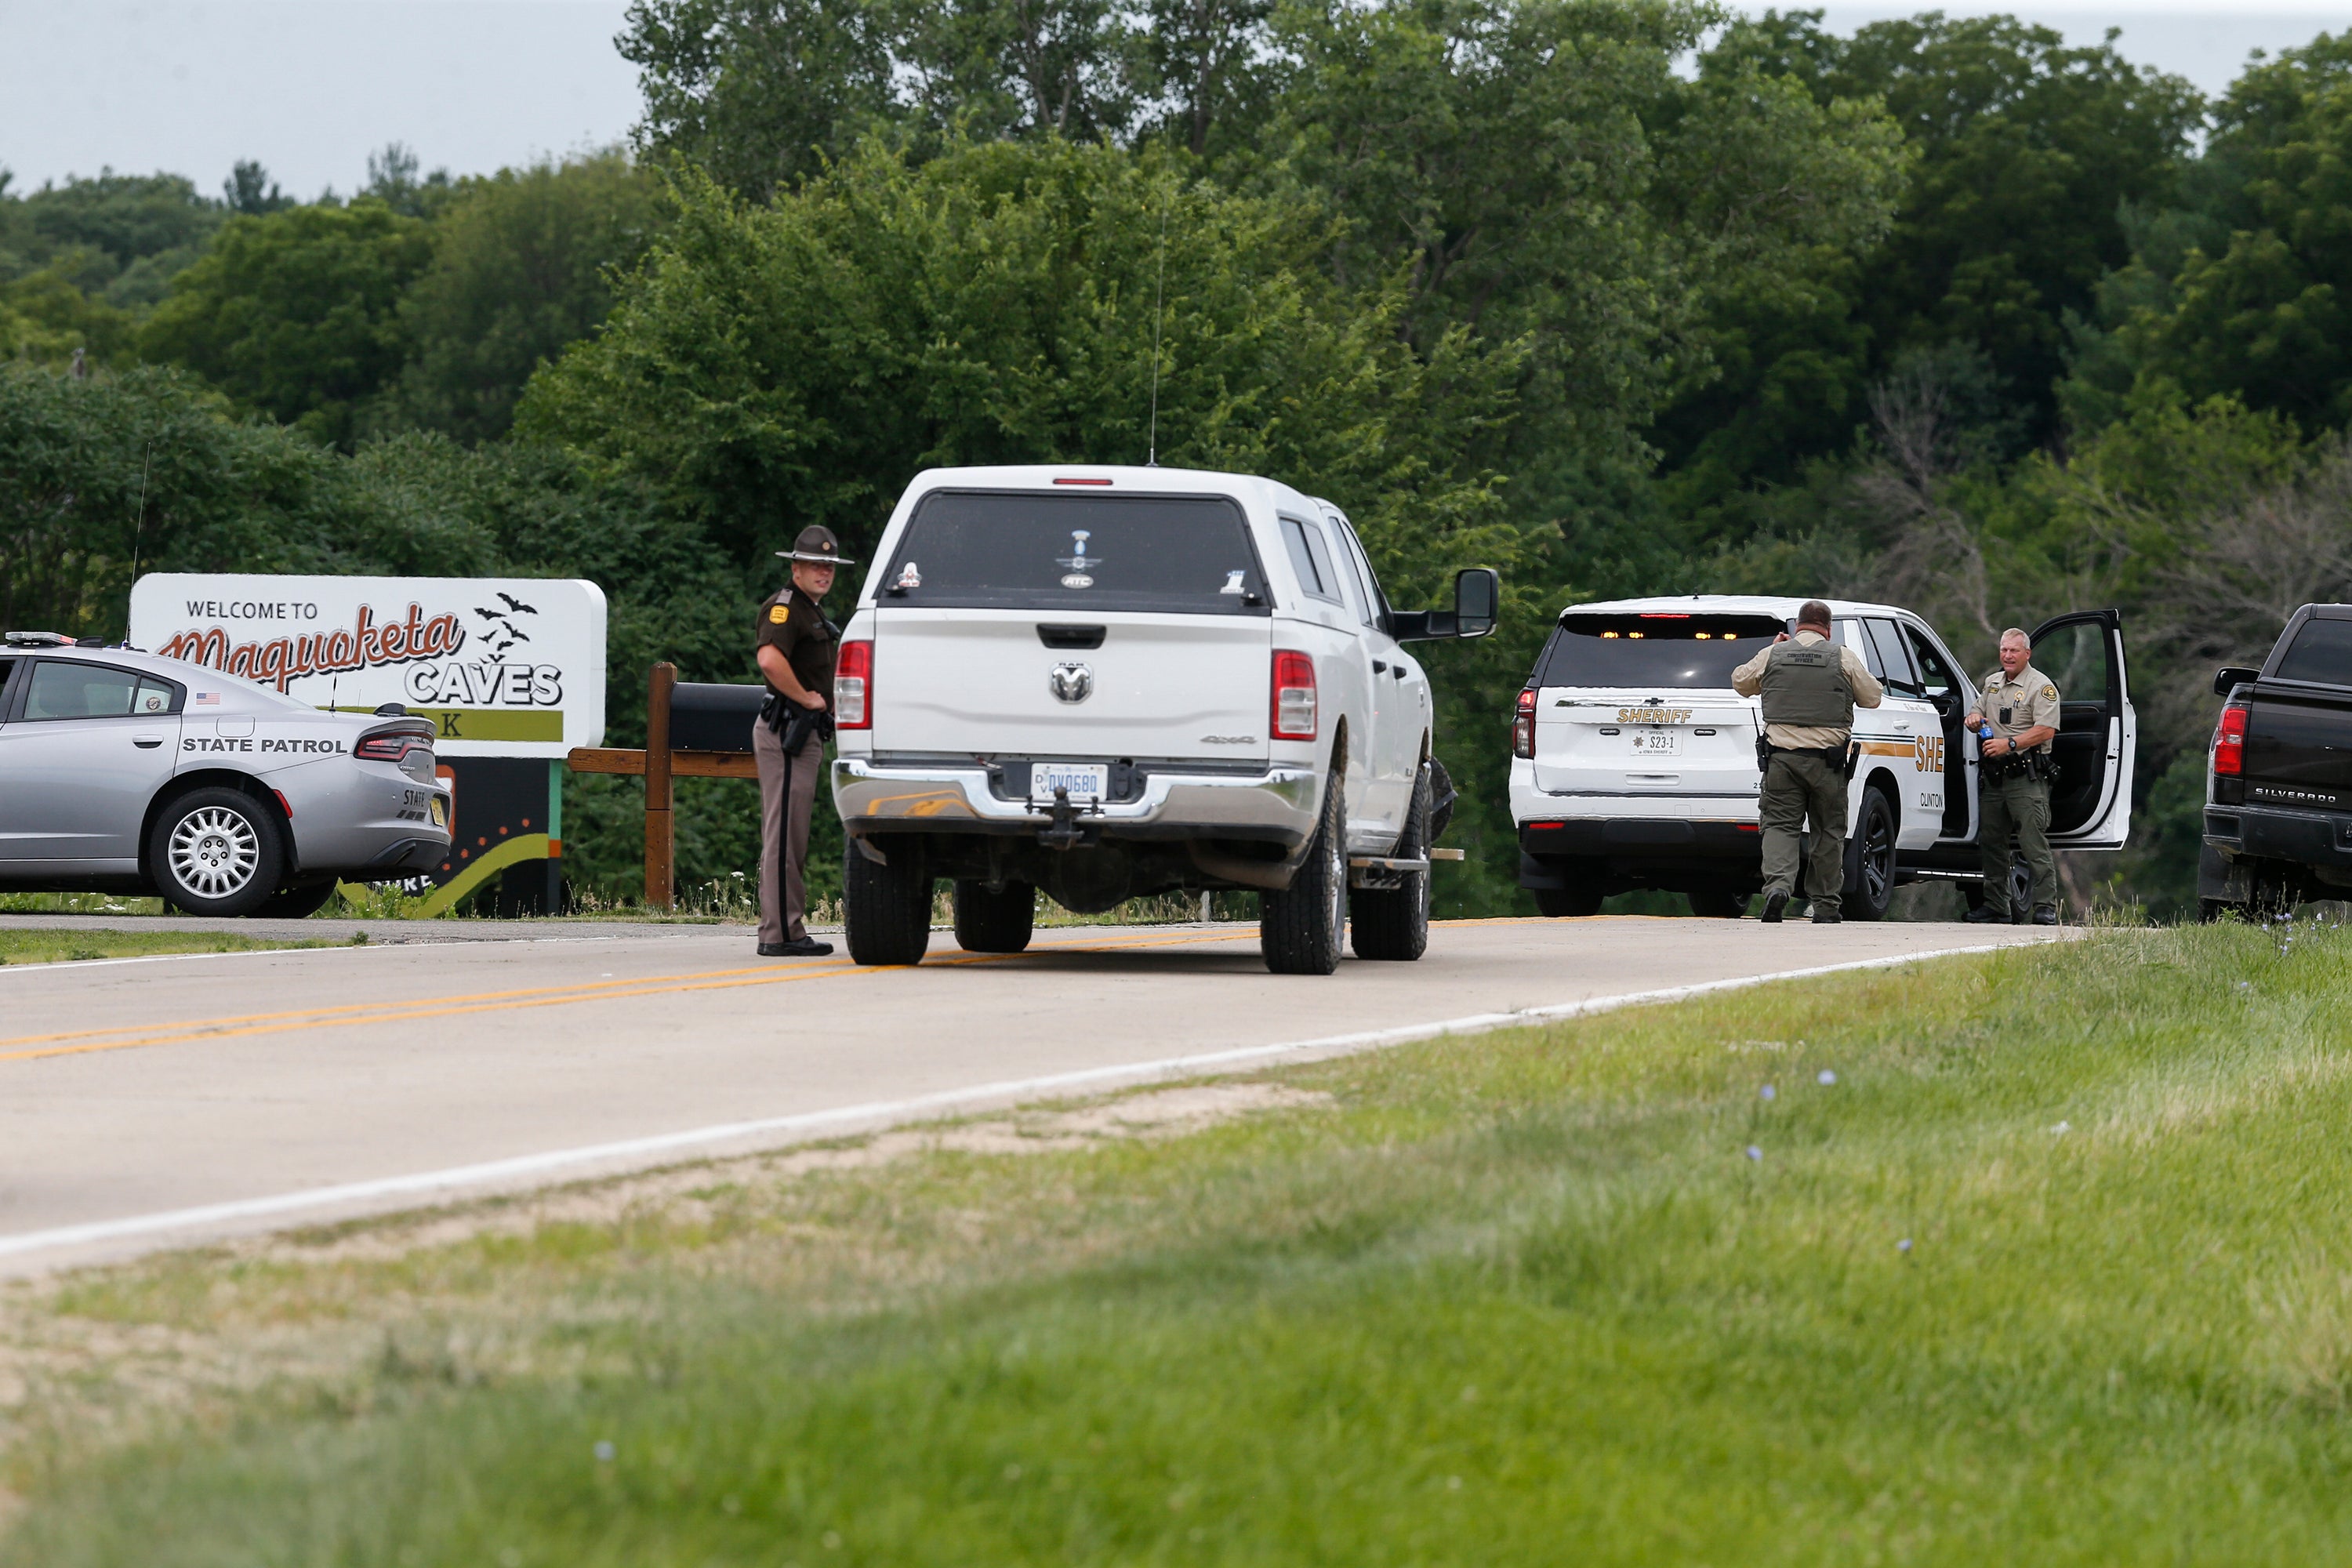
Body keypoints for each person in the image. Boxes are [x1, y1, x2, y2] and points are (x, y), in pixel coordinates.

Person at [1732, 600, 1883, 923]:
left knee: (1779, 826)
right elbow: (1873, 697)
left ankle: (1777, 890)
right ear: (1828, 629)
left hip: (1782, 762)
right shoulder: (1842, 656)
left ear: (1796, 627)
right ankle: (1827, 906)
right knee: (1828, 832)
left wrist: (1773, 651)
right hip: (1828, 764)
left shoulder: (1774, 654)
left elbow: (1741, 682)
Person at [753, 524, 853, 957]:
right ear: (795, 568)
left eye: (829, 565)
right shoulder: (785, 608)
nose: (823, 572)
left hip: (802, 732)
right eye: (815, 564)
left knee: (793, 835)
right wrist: (808, 699)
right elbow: (769, 660)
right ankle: (777, 934)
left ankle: (789, 929)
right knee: (783, 836)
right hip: (787, 731)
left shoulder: (810, 610)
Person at [1964, 627, 2062, 926]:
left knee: (2033, 842)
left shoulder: (2041, 687)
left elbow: (2046, 730)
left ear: (2027, 654)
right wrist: (1972, 718)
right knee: (1992, 843)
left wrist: (2010, 743)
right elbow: (1977, 709)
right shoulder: (1992, 682)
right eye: (2004, 650)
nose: (2007, 656)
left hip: (2026, 777)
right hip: (1995, 777)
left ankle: (2045, 906)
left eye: (2014, 651)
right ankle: (1996, 905)